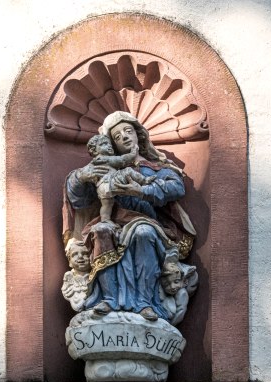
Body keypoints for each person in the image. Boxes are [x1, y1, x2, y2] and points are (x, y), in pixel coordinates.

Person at [63, 111, 196, 321]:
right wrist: (80, 176)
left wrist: (142, 191)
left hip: (146, 220)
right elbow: (79, 199)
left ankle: (145, 302)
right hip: (113, 220)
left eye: (128, 131)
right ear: (111, 144)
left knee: (143, 233)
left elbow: (176, 187)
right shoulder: (106, 166)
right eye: (117, 136)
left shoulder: (155, 167)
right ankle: (107, 299)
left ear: (138, 135)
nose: (124, 137)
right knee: (101, 231)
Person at [86, 134, 155, 223]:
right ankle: (144, 180)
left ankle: (105, 220)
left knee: (107, 205)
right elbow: (121, 160)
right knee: (128, 171)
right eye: (104, 144)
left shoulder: (94, 162)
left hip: (102, 187)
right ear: (95, 151)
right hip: (112, 182)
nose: (109, 146)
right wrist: (132, 154)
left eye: (109, 144)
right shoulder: (104, 158)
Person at [61, 240, 91, 312]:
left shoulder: (98, 276)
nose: (80, 256)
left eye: (85, 254)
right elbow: (77, 306)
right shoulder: (69, 278)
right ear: (69, 260)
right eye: (75, 254)